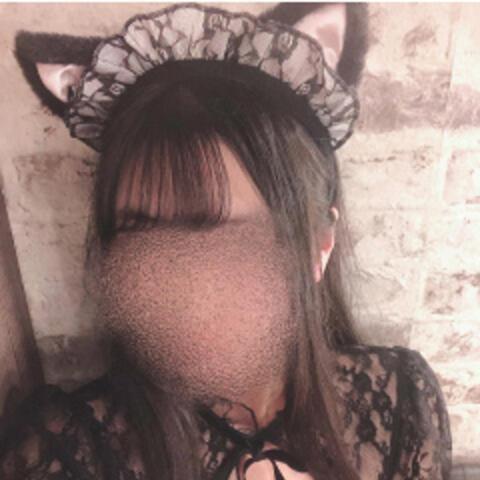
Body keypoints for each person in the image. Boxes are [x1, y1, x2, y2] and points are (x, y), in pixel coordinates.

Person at [1, 3, 452, 480]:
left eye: (227, 238)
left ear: (318, 247)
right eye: (141, 235)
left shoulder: (403, 404)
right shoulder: (60, 449)